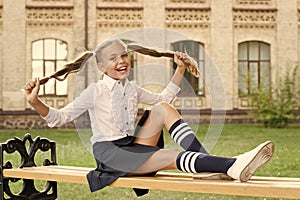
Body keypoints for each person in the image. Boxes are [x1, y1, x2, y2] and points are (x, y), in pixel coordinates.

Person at [24, 38, 274, 196]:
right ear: (101, 67)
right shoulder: (95, 91)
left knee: (163, 108)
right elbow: (59, 117)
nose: (121, 61)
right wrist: (35, 101)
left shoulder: (131, 88)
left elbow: (165, 99)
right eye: (113, 58)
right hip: (110, 154)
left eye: (124, 55)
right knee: (171, 156)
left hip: (131, 146)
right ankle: (232, 165)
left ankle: (205, 164)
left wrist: (179, 69)